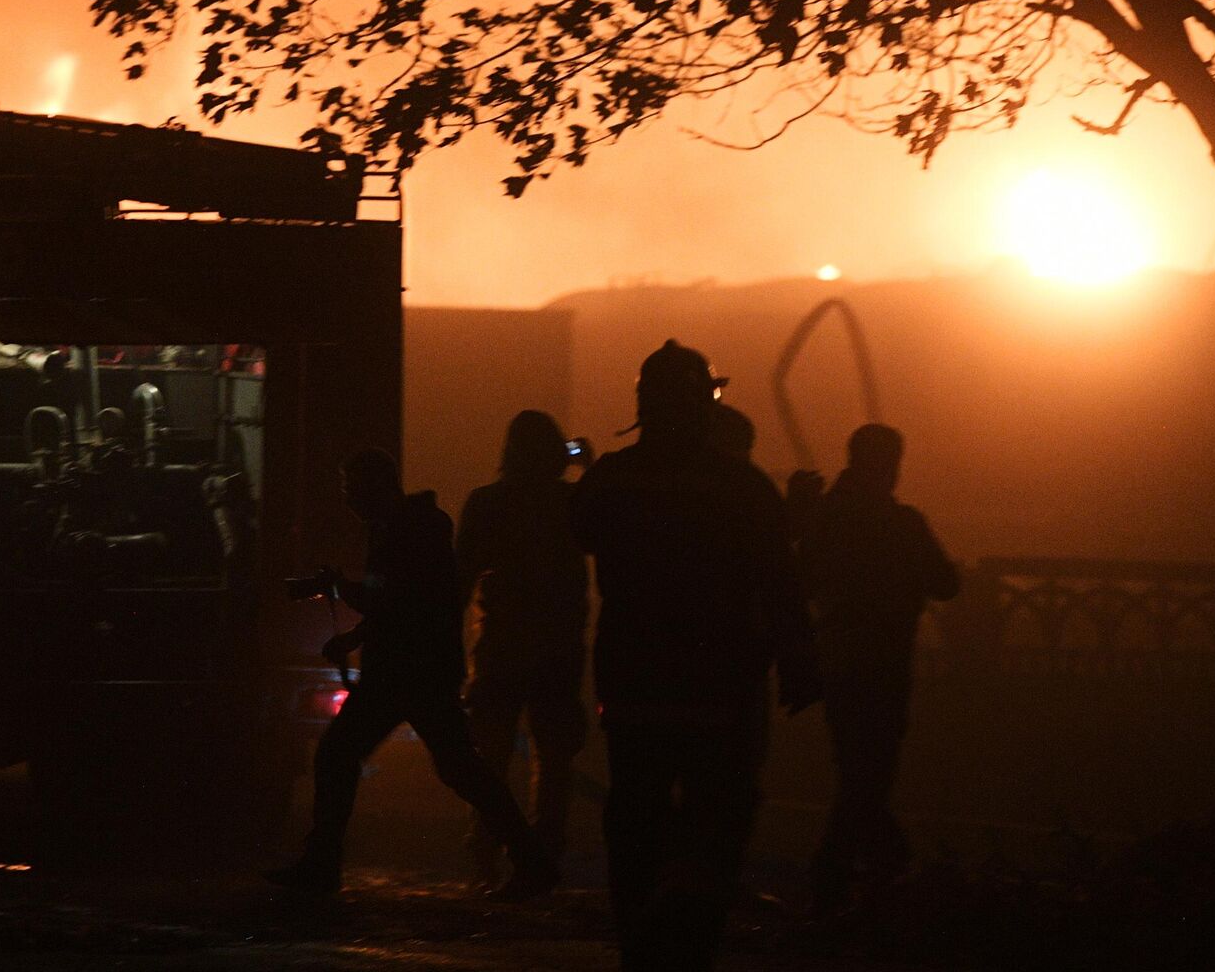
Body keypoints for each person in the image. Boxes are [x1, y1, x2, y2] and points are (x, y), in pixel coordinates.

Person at [574, 341, 819, 972]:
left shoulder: (613, 479)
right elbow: (779, 580)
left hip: (633, 682)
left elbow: (571, 537)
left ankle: (641, 938)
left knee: (634, 814)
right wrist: (798, 660)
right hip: (722, 684)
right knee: (722, 817)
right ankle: (694, 937)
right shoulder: (741, 485)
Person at [265, 447, 559, 899]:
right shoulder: (408, 528)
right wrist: (356, 634)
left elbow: (396, 601)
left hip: (408, 674)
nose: (349, 501)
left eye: (353, 490)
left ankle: (321, 866)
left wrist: (342, 590)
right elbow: (402, 602)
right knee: (459, 769)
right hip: (417, 672)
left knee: (346, 757)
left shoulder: (407, 532)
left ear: (376, 488)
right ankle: (532, 859)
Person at [797, 423, 959, 913]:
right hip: (884, 663)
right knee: (870, 774)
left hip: (841, 660)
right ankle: (857, 870)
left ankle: (859, 870)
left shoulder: (827, 518)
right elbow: (946, 583)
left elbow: (802, 580)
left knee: (858, 772)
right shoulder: (902, 523)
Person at [457, 411, 590, 873]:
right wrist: (585, 467)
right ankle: (543, 852)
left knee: (489, 757)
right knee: (553, 760)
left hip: (502, 646)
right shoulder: (573, 503)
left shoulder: (487, 503)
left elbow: (461, 579)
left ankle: (485, 849)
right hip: (558, 650)